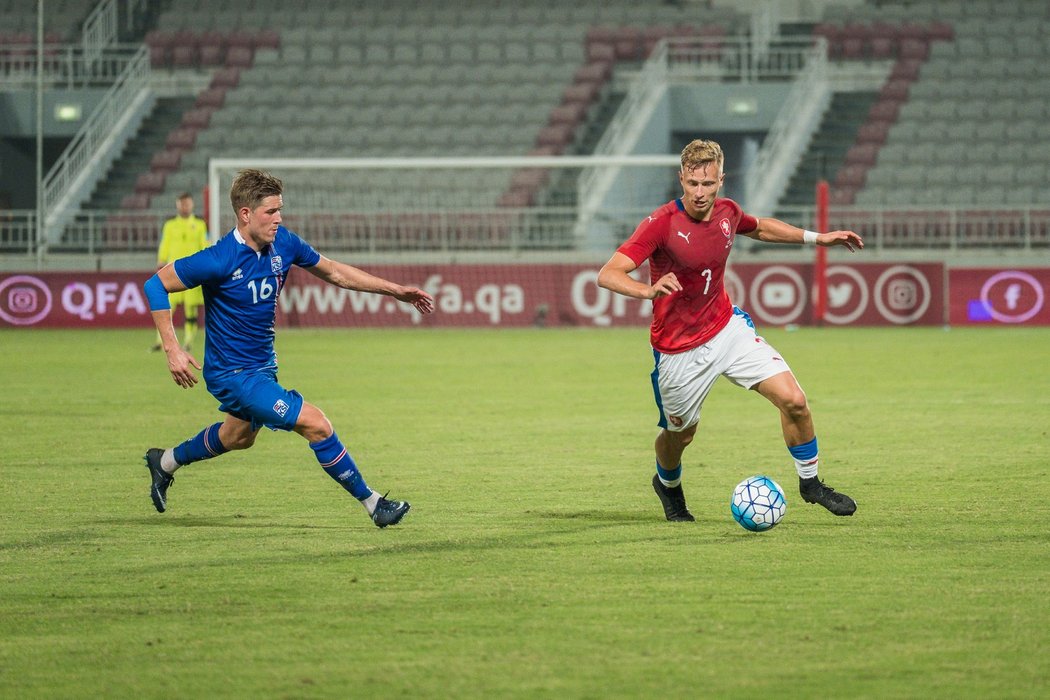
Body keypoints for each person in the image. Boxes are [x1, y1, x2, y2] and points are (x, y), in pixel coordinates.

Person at [141, 169, 435, 528]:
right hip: (233, 375)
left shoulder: (284, 245)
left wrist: (396, 291)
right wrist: (172, 349)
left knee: (238, 437)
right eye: (270, 211)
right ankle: (375, 505)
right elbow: (156, 285)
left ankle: (165, 461)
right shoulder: (218, 259)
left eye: (280, 210)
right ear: (246, 214)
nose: (278, 218)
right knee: (317, 424)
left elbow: (335, 272)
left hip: (262, 367)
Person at [597, 139, 862, 522]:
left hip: (727, 329)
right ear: (682, 180)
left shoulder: (728, 212)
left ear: (721, 179)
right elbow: (608, 273)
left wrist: (818, 238)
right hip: (678, 350)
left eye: (707, 184)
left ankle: (811, 483)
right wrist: (647, 290)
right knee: (681, 436)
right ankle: (667, 485)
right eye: (692, 184)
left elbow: (760, 229)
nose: (700, 193)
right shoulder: (661, 223)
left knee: (795, 401)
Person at [152, 192, 209, 352]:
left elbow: (204, 245)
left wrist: (206, 266)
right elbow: (165, 244)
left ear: (192, 205)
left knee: (190, 309)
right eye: (182, 203)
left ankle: (188, 341)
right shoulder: (170, 225)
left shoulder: (199, 225)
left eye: (188, 203)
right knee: (166, 308)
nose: (185, 206)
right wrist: (161, 261)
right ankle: (160, 341)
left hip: (192, 272)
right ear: (178, 205)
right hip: (173, 272)